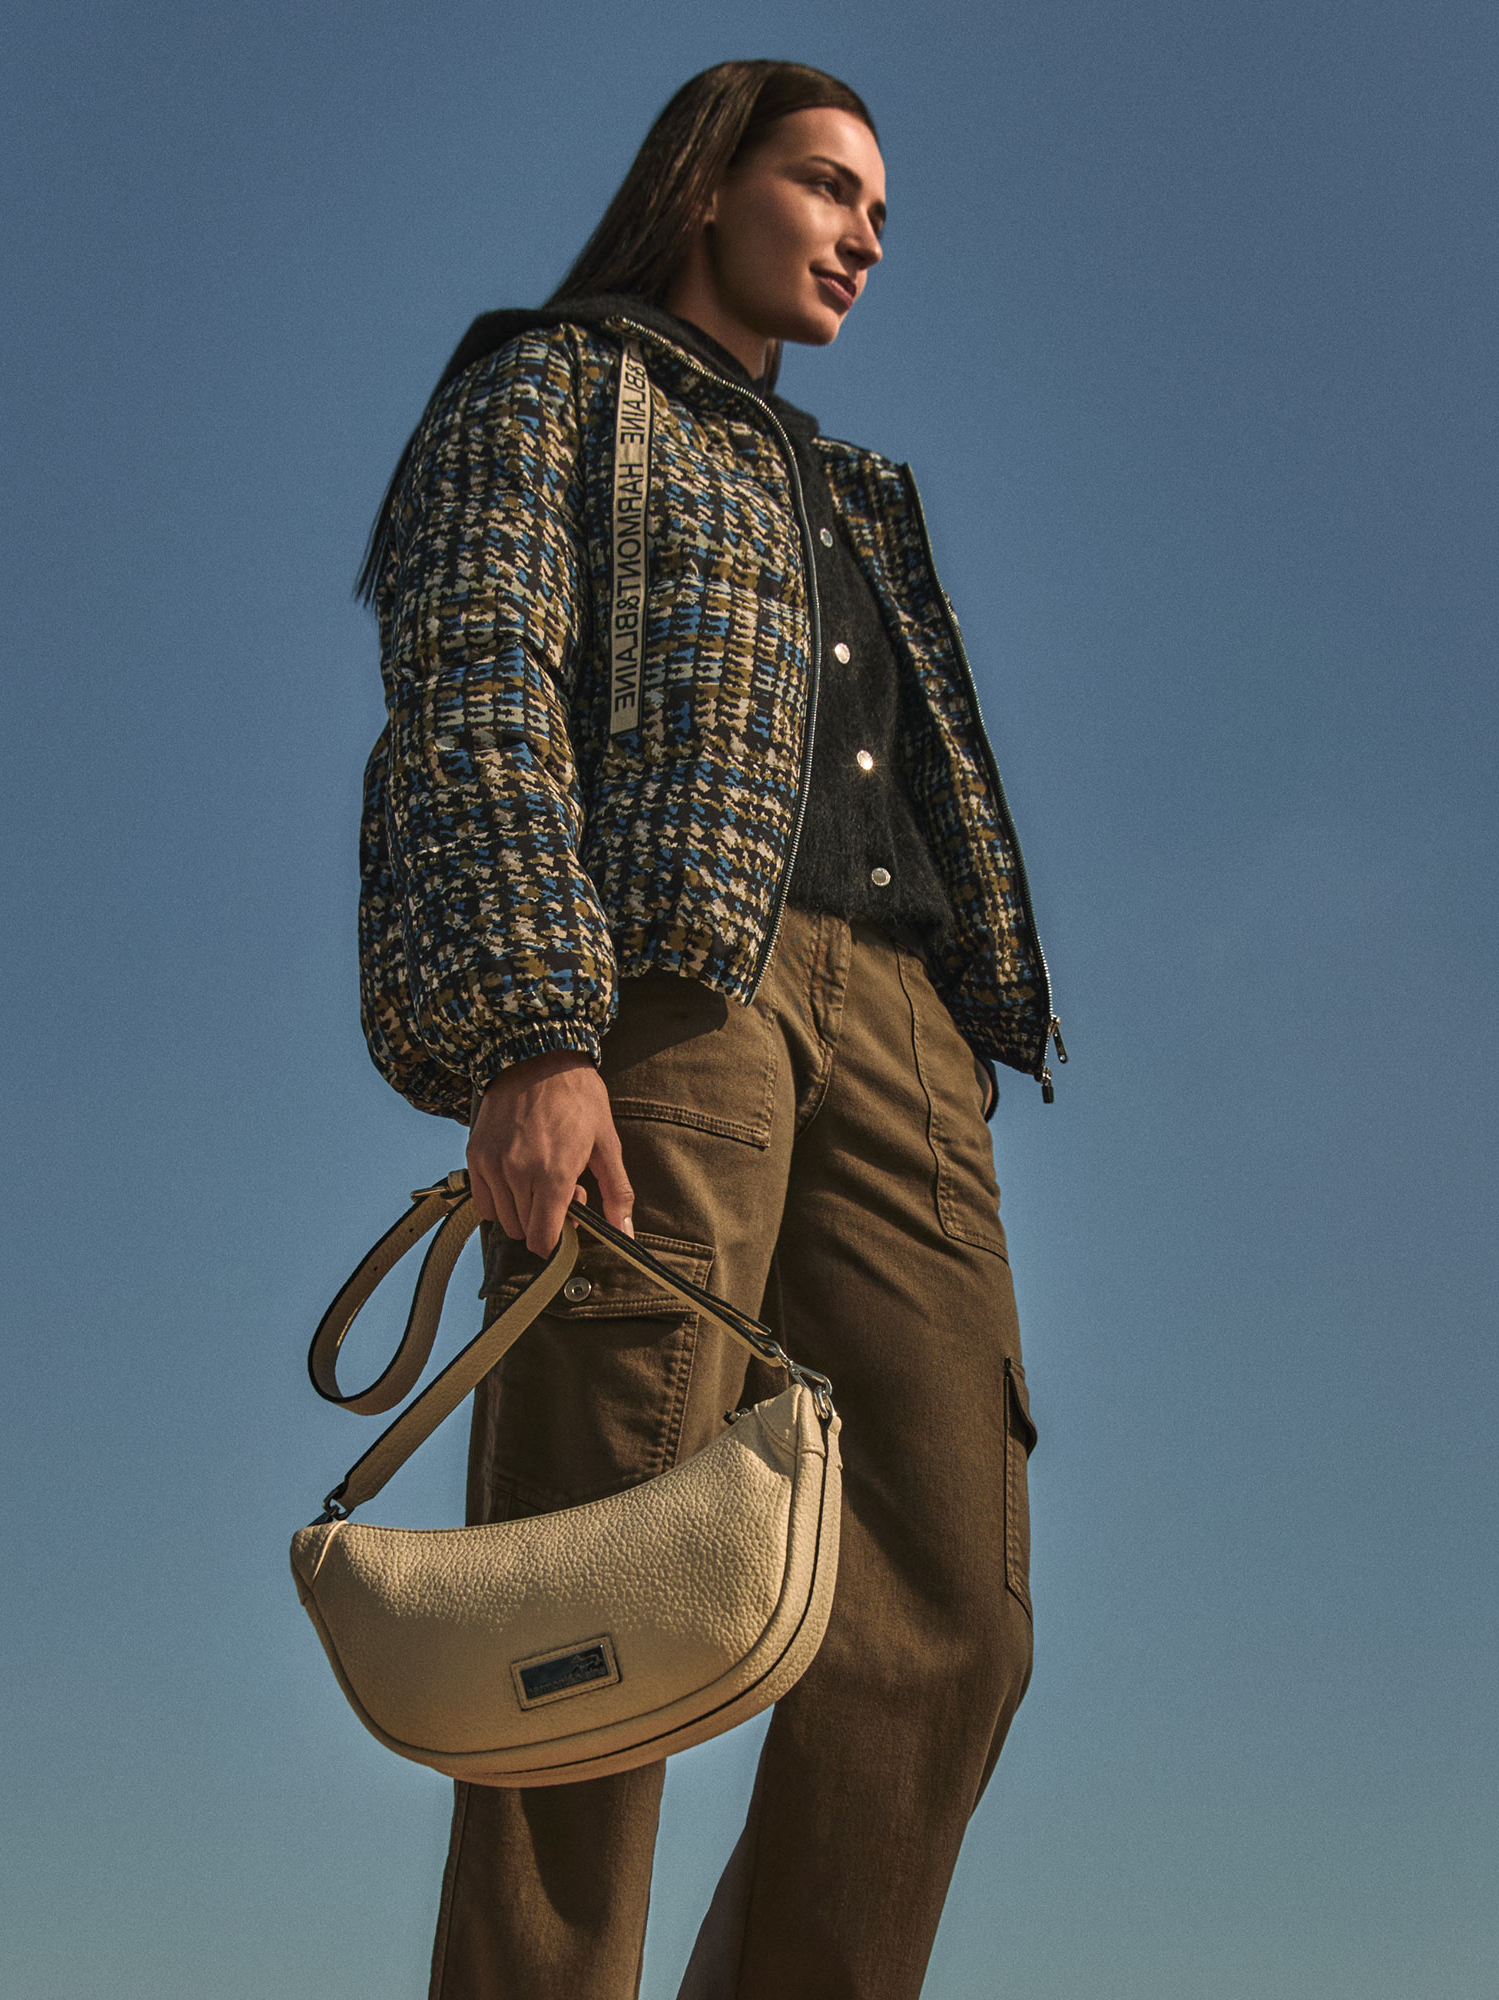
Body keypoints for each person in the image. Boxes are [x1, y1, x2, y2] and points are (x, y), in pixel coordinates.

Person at [355, 58, 1061, 2000]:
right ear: (703, 188)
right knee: (599, 1588)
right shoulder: (553, 387)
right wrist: (528, 1029)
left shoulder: (846, 489)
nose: (859, 235)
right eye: (826, 187)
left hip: (909, 1031)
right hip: (677, 994)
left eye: (880, 217)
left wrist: (963, 1025)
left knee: (951, 1607)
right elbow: (475, 677)